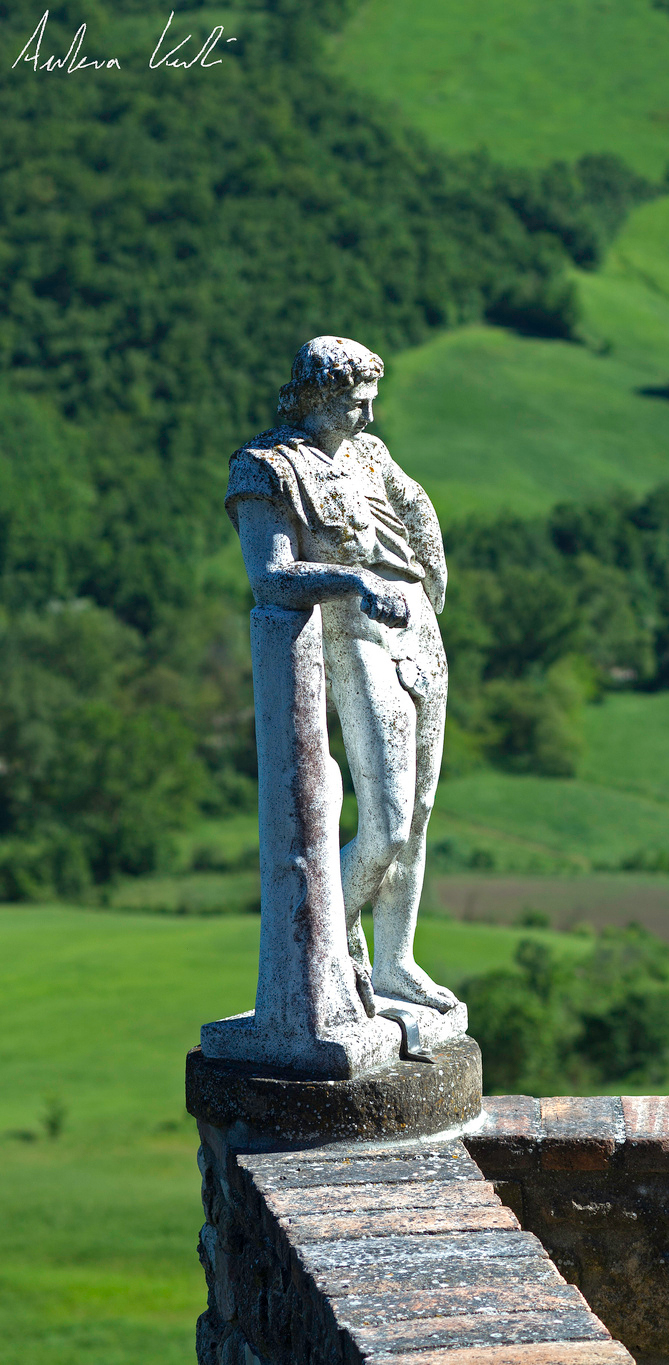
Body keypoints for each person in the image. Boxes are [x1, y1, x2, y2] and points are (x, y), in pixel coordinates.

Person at [225, 336, 457, 1013]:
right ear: (320, 396)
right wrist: (354, 580)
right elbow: (271, 577)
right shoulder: (266, 468)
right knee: (383, 825)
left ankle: (395, 962)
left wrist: (430, 578)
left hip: (418, 631)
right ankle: (323, 947)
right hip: (356, 638)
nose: (370, 417)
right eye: (358, 404)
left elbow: (410, 506)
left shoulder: (367, 453)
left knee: (417, 815)